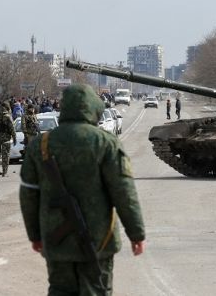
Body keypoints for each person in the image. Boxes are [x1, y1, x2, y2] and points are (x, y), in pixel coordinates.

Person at [19, 84, 145, 295]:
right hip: (99, 239)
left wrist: (35, 235)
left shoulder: (41, 144)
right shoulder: (106, 143)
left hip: (56, 239)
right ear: (94, 109)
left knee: (60, 290)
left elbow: (29, 194)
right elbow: (123, 192)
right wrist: (136, 234)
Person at [0, 102, 16, 177]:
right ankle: (4, 173)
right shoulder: (8, 116)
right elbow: (12, 128)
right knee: (6, 155)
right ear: (7, 108)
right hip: (6, 138)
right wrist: (14, 138)